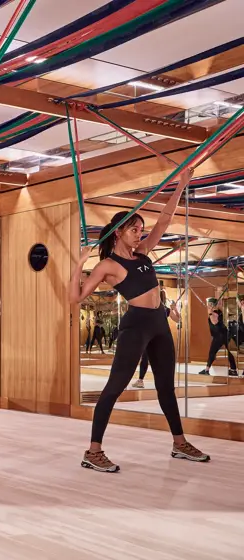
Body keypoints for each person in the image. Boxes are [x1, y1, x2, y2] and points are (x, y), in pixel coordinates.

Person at [70, 167, 209, 472]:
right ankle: (93, 451)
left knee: (166, 388)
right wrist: (79, 263)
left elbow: (164, 221)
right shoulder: (108, 264)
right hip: (135, 325)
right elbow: (76, 297)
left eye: (141, 230)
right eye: (134, 229)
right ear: (118, 232)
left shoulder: (143, 254)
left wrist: (180, 186)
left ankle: (179, 443)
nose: (141, 234)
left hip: (159, 324)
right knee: (114, 387)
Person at [131, 297, 180, 389]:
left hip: (151, 335)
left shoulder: (152, 308)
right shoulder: (165, 310)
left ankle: (141, 380)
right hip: (159, 336)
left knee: (146, 359)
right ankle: (160, 382)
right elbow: (178, 319)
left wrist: (175, 309)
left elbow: (178, 320)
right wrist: (175, 309)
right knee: (154, 359)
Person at [198, 299, 237, 377]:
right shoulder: (218, 311)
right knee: (229, 352)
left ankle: (206, 370)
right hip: (225, 334)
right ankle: (233, 370)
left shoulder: (214, 313)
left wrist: (210, 313)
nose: (207, 305)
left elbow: (215, 322)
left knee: (212, 352)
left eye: (209, 304)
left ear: (211, 304)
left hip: (219, 336)